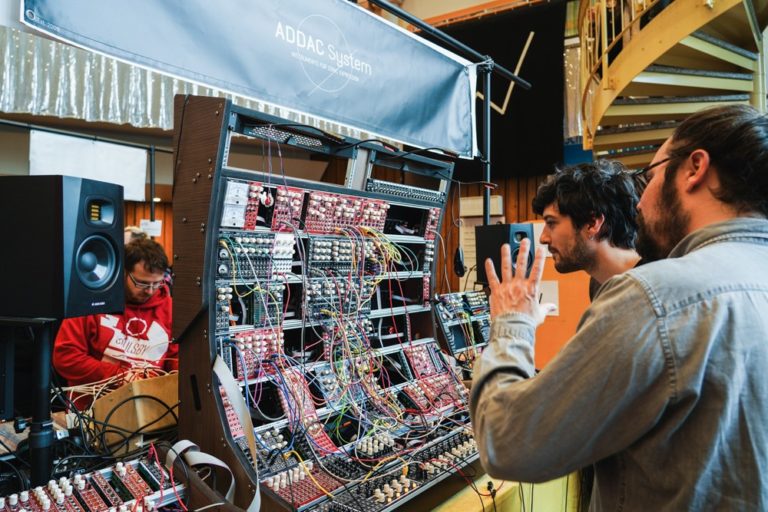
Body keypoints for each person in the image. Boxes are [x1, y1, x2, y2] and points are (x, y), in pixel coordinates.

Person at [470, 104, 768, 511]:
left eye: (649, 174)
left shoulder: (653, 297)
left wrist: (511, 323)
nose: (640, 200)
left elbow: (507, 442)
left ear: (695, 168)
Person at [54, 238, 177, 393]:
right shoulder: (91, 301)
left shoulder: (170, 309)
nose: (150, 291)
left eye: (157, 283)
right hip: (92, 405)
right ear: (123, 272)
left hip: (152, 404)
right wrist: (119, 376)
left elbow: (177, 361)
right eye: (141, 283)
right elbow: (65, 357)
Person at [532, 160, 641, 299]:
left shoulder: (654, 287)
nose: (543, 238)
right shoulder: (599, 284)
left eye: (551, 223)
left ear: (592, 223)